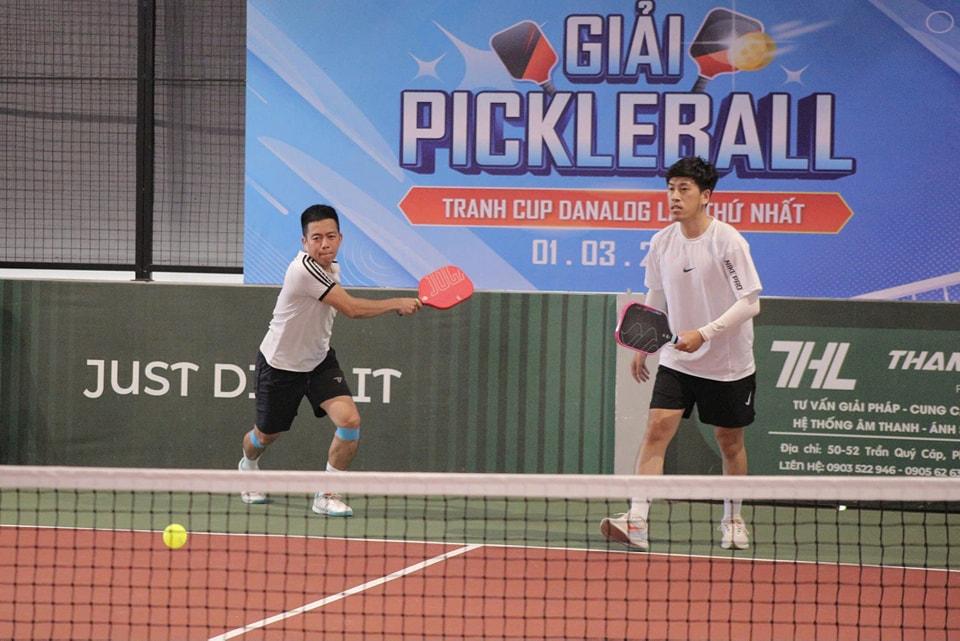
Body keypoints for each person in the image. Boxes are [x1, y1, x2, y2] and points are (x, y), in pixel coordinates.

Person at [601, 157, 762, 550]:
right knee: (657, 429)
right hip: (678, 358)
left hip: (727, 363)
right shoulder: (662, 242)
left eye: (684, 189)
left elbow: (750, 302)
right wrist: (644, 342)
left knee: (729, 442)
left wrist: (705, 334)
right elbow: (656, 293)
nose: (674, 196)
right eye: (671, 188)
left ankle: (733, 519)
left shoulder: (728, 242)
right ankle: (637, 520)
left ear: (706, 196)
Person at [238, 204, 421, 516]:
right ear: (304, 242)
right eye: (317, 238)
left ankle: (326, 493)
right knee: (266, 435)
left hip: (319, 361)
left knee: (349, 422)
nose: (325, 244)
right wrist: (396, 303)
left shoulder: (332, 268)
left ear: (340, 238)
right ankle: (247, 465)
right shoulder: (303, 270)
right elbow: (352, 309)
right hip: (281, 366)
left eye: (331, 236)